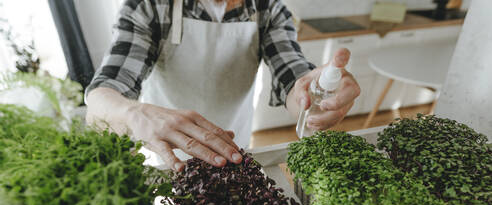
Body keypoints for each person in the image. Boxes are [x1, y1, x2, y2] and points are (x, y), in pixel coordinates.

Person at [86, 0, 360, 171]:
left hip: (234, 143)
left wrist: (311, 89)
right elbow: (102, 96)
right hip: (168, 152)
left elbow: (293, 77)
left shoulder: (270, 11)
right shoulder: (150, 6)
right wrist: (135, 114)